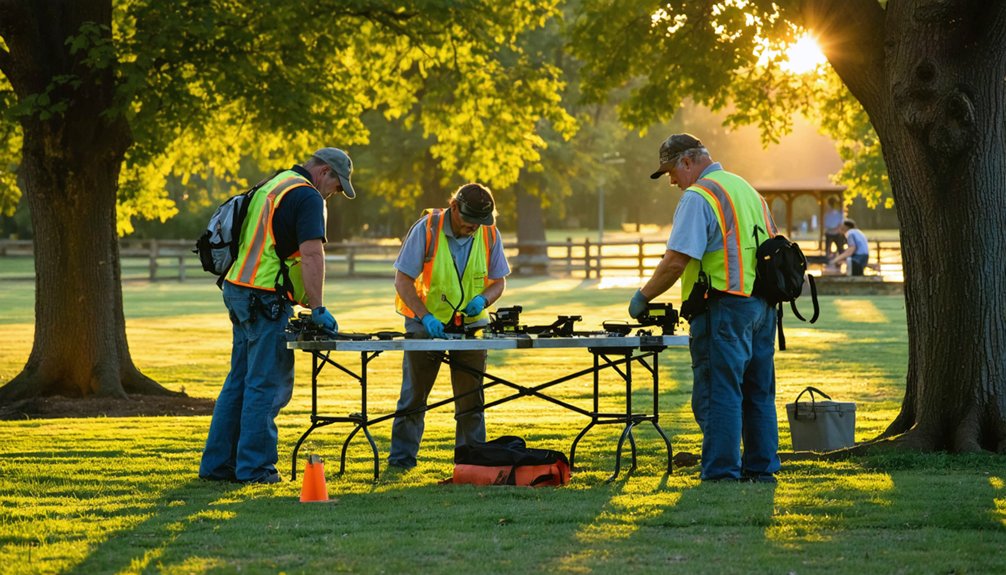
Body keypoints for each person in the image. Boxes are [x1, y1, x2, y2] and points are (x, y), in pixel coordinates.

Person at [629, 133, 781, 483]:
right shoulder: (747, 190)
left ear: (687, 162)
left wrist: (643, 297)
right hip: (762, 306)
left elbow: (675, 261)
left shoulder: (700, 196)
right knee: (758, 393)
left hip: (723, 307)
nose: (672, 181)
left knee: (719, 392)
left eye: (671, 172)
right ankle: (761, 469)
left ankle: (721, 472)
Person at [199, 148, 357, 484]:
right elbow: (312, 254)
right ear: (324, 172)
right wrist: (317, 308)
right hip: (265, 297)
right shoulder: (308, 196)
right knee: (265, 385)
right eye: (336, 186)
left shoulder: (274, 183)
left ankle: (218, 465)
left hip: (238, 287)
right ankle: (255, 468)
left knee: (239, 381)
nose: (334, 193)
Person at [388, 183, 511, 470]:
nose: (474, 227)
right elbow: (403, 281)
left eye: (480, 222)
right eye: (470, 221)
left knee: (471, 400)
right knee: (414, 397)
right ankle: (401, 460)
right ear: (454, 207)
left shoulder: (489, 232)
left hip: (471, 326)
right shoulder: (427, 229)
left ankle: (472, 461)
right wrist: (425, 317)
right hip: (425, 323)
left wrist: (483, 300)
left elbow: (499, 282)